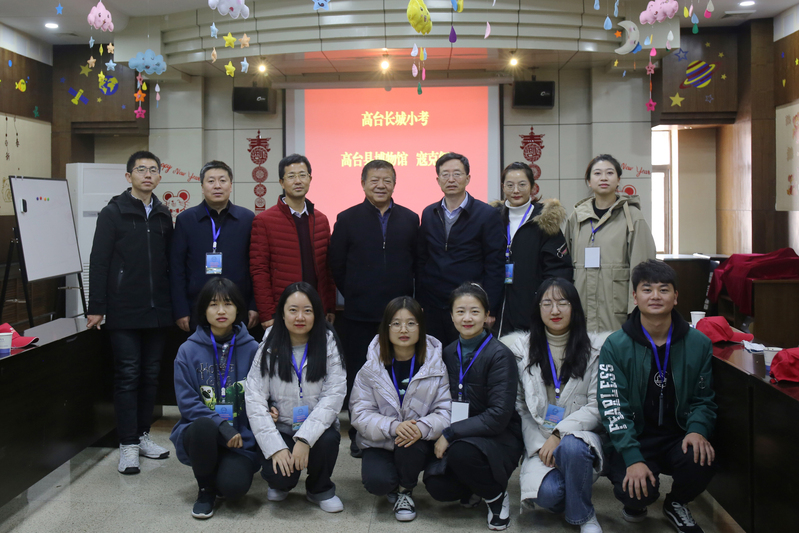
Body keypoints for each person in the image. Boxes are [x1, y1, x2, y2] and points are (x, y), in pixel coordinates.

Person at [599, 260, 716, 533]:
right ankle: (637, 501)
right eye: (647, 289)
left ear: (676, 297)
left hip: (678, 434)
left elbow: (704, 399)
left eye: (664, 290)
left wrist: (697, 430)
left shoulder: (699, 343)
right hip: (637, 435)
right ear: (634, 296)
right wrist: (632, 457)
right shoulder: (615, 345)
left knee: (703, 457)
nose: (655, 296)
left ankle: (677, 502)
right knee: (635, 492)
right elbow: (612, 407)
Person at [502, 278, 611, 533]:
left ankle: (584, 516)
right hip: (540, 442)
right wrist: (542, 445)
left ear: (574, 308)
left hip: (580, 437)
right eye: (547, 303)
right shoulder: (522, 350)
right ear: (538, 308)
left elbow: (596, 405)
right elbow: (521, 407)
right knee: (548, 495)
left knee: (572, 447)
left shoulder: (596, 350)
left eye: (563, 303)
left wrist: (558, 434)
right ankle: (574, 484)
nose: (555, 310)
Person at [87, 150, 173, 475]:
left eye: (153, 170)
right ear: (129, 176)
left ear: (159, 176)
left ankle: (143, 435)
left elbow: (168, 262)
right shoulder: (113, 213)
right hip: (123, 308)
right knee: (128, 374)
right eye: (141, 170)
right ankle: (127, 445)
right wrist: (97, 307)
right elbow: (99, 261)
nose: (147, 175)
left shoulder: (163, 214)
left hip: (157, 310)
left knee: (150, 375)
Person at [329, 159, 420, 457]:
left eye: (387, 180)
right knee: (360, 373)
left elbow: (417, 263)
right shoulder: (347, 218)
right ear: (363, 183)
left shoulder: (410, 219)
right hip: (359, 313)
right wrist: (355, 293)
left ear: (394, 183)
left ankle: (397, 428)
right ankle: (359, 432)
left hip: (399, 316)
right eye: (374, 180)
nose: (381, 185)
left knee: (396, 372)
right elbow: (336, 264)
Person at [424, 282, 523, 531]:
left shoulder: (500, 355)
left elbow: (498, 416)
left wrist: (450, 433)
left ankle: (496, 497)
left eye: (475, 311)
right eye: (460, 311)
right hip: (462, 434)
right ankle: (477, 486)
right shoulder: (447, 353)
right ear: (451, 316)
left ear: (487, 315)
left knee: (461, 454)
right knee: (438, 486)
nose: (467, 318)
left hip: (498, 435)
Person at [245, 282, 347, 512]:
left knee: (328, 438)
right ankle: (280, 482)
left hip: (316, 429)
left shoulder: (328, 343)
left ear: (316, 314)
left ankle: (319, 489)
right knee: (280, 478)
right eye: (293, 310)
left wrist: (304, 439)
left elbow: (334, 395)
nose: (300, 317)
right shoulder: (269, 344)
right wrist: (276, 448)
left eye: (307, 310)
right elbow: (254, 397)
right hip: (281, 427)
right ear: (282, 314)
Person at [349, 296, 451, 522]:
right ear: (386, 328)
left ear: (421, 327)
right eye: (396, 323)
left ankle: (406, 490)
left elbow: (445, 411)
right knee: (378, 483)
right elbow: (360, 413)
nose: (403, 330)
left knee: (409, 446)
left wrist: (421, 428)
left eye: (411, 323)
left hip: (418, 441)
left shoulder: (435, 365)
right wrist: (394, 427)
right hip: (381, 440)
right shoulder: (370, 368)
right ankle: (393, 482)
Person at [170, 278, 261, 519]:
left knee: (233, 488)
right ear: (203, 310)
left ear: (238, 309)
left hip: (239, 437)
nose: (221, 311)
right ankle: (205, 489)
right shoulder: (187, 350)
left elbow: (262, 393)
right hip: (201, 434)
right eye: (213, 304)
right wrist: (220, 425)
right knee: (203, 426)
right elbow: (187, 402)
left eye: (228, 303)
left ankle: (220, 474)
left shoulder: (253, 349)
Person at [417, 152, 504, 345]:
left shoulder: (487, 214)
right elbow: (422, 260)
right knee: (435, 357)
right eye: (445, 174)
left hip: (469, 306)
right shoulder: (429, 213)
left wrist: (490, 308)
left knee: (467, 358)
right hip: (433, 305)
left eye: (457, 174)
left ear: (468, 178)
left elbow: (495, 264)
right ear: (438, 180)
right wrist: (421, 301)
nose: (451, 179)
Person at [563, 154, 656, 332]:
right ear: (589, 181)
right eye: (597, 173)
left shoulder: (632, 217)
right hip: (581, 308)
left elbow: (643, 267)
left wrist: (636, 309)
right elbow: (564, 264)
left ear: (618, 180)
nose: (604, 178)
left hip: (617, 309)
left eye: (610, 173)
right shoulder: (577, 217)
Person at [250, 154, 336, 329]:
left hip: (315, 309)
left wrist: (329, 307)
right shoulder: (264, 220)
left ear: (310, 179)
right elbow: (259, 270)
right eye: (291, 176)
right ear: (282, 182)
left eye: (302, 175)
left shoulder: (321, 220)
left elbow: (327, 269)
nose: (298, 181)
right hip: (283, 311)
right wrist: (267, 313)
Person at [170, 160, 258, 332]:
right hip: (197, 306)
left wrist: (255, 305)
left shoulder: (247, 219)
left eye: (222, 180)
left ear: (230, 186)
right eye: (211, 181)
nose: (217, 186)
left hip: (238, 305)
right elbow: (176, 268)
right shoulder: (186, 220)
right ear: (202, 187)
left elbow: (256, 265)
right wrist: (180, 310)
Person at [495, 162, 573, 336]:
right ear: (503, 187)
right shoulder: (491, 219)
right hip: (496, 308)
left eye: (522, 184)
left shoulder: (545, 221)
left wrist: (546, 302)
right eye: (510, 185)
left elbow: (559, 270)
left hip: (532, 307)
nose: (516, 190)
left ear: (532, 186)